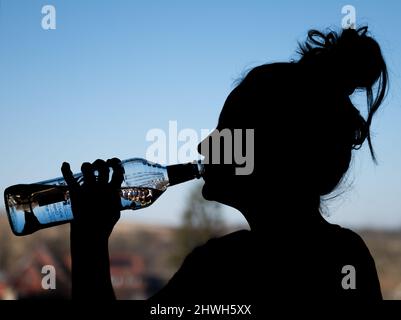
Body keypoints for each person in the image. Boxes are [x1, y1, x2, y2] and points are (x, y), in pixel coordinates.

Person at [61, 26, 388, 300]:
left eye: (226, 132)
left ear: (272, 155)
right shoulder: (346, 256)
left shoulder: (220, 268)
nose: (205, 145)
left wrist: (89, 240)